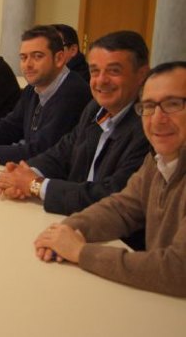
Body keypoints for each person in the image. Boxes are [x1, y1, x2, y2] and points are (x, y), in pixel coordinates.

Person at [34, 61, 186, 297]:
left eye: (173, 104)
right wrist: (67, 231)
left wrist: (80, 252)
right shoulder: (158, 160)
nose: (157, 119)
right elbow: (121, 208)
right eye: (148, 106)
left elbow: (178, 271)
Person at [0, 31, 151, 248]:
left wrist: (35, 185)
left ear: (142, 74)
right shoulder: (95, 108)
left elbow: (110, 195)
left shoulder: (149, 127)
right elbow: (61, 152)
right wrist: (23, 173)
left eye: (114, 71)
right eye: (95, 71)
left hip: (117, 242)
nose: (101, 80)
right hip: (74, 224)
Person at [0, 25, 91, 165]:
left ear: (59, 59)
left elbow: (38, 152)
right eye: (23, 57)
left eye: (37, 56)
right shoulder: (33, 88)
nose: (27, 64)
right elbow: (11, 126)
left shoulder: (73, 93)